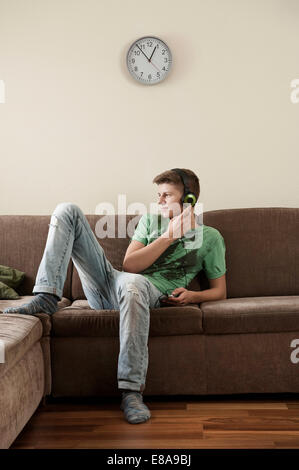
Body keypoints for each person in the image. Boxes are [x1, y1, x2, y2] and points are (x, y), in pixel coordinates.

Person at [3, 168, 227, 424]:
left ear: (189, 200)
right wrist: (168, 236)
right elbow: (130, 265)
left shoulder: (210, 238)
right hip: (112, 284)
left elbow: (220, 291)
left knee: (134, 285)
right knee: (67, 210)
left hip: (143, 292)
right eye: (158, 195)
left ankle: (131, 392)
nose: (159, 201)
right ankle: (46, 295)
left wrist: (193, 296)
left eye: (166, 195)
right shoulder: (151, 221)